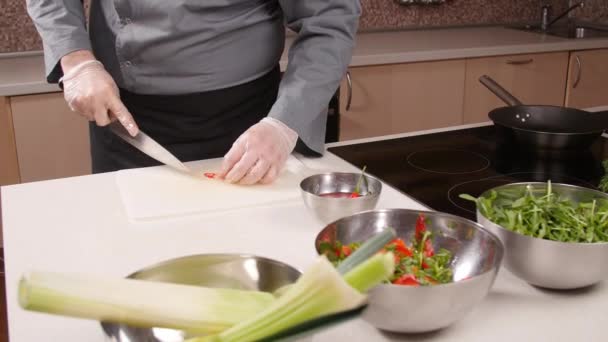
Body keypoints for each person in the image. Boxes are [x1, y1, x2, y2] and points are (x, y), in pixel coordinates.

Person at [26, 1, 361, 185]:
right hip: (123, 120)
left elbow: (329, 20)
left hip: (247, 126)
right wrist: (75, 60)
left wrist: (284, 124)